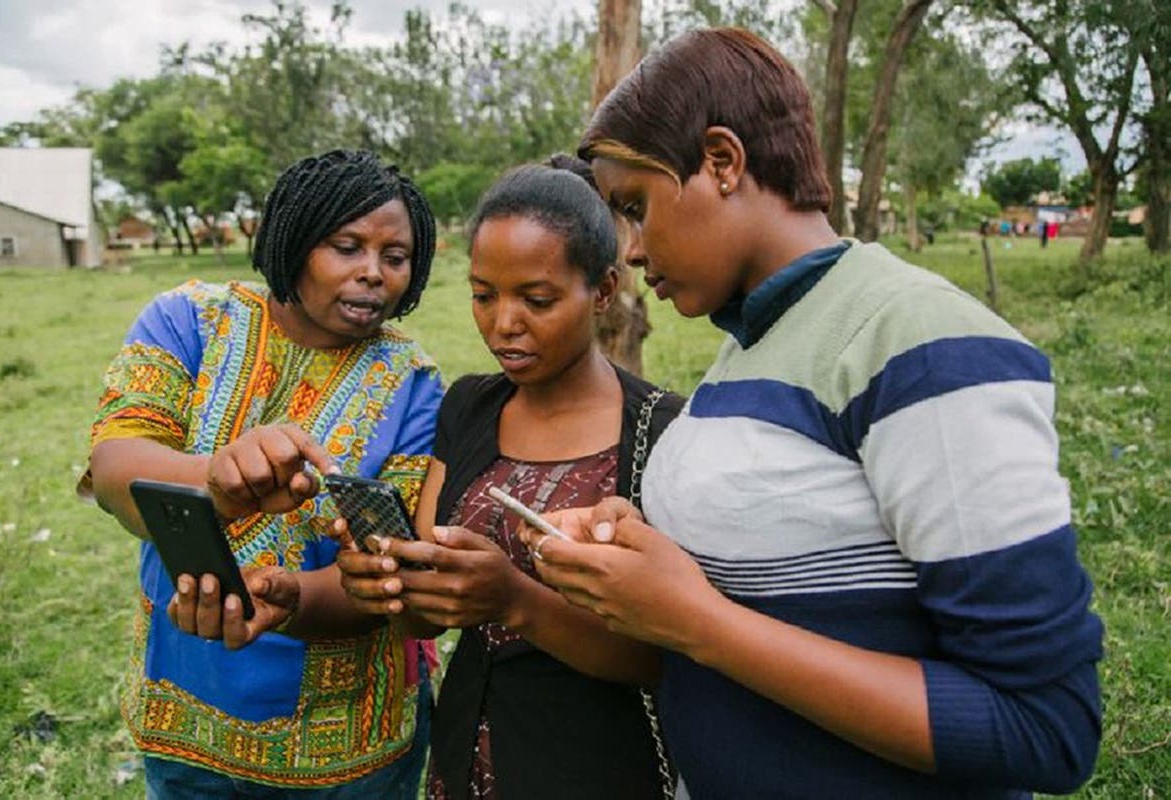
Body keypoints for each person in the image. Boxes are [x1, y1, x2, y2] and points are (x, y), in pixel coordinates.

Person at [524, 28, 1104, 799]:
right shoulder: (749, 346)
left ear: (723, 162)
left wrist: (700, 623)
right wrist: (636, 545)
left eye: (636, 206)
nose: (628, 250)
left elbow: (1044, 726)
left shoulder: (918, 343)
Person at [81, 150, 443, 798]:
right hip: (187, 716)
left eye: (395, 256)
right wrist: (216, 482)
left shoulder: (413, 383)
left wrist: (296, 599)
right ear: (296, 238)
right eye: (347, 246)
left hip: (348, 747)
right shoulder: (187, 320)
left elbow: (390, 573)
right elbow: (115, 469)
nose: (373, 274)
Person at [334, 162, 684, 800]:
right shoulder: (469, 406)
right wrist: (383, 581)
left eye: (537, 299)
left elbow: (668, 656)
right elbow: (423, 619)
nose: (503, 323)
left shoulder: (662, 431)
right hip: (465, 758)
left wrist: (515, 601)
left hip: (599, 767)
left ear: (603, 291)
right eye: (483, 294)